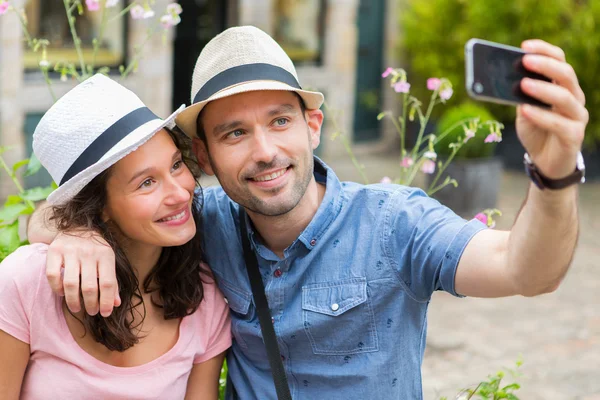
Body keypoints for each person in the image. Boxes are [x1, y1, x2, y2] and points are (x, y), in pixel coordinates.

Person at [28, 26, 588, 399]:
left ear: (311, 126)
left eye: (279, 121)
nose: (265, 151)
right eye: (235, 133)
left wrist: (555, 172)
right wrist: (77, 233)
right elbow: (81, 208)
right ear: (204, 156)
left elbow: (526, 270)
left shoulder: (395, 223)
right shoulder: (205, 219)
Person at [1, 74, 231, 400]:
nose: (180, 193)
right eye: (146, 183)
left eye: (176, 165)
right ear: (100, 206)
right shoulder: (26, 283)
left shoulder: (204, 297)